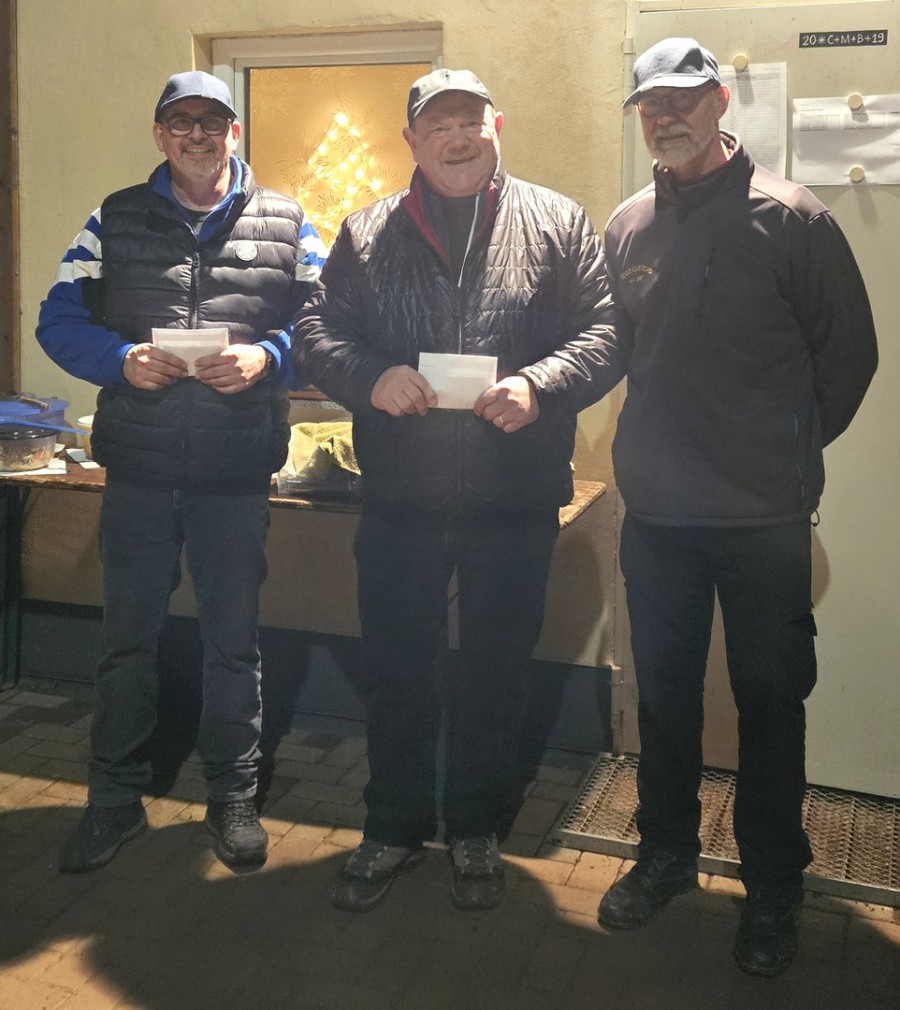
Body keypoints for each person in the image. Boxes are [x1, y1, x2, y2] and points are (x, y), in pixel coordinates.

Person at [295, 68, 616, 912]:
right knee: (397, 669)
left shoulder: (558, 221)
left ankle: (476, 827)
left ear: (495, 125)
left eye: (470, 121)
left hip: (514, 496)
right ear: (412, 140)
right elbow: (316, 328)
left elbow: (606, 328)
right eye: (437, 126)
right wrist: (372, 376)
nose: (457, 138)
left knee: (498, 672)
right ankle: (392, 827)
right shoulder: (367, 231)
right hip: (401, 497)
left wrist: (541, 384)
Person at [596, 38, 878, 977]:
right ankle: (665, 855)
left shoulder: (793, 219)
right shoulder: (628, 226)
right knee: (665, 698)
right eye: (650, 105)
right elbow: (619, 348)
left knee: (769, 702)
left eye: (681, 99)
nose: (664, 117)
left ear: (720, 101)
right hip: (659, 523)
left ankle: (773, 886)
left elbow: (850, 359)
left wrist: (783, 452)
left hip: (763, 522)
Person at [36, 71, 325, 874]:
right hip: (140, 470)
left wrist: (268, 358)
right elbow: (57, 319)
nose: (197, 134)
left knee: (233, 642)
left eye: (212, 121)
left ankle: (232, 797)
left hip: (235, 472)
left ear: (235, 132)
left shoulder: (288, 222)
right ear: (160, 134)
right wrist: (121, 358)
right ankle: (113, 798)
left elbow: (327, 325)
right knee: (126, 641)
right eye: (181, 121)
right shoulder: (114, 217)